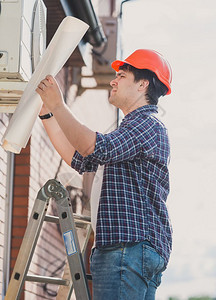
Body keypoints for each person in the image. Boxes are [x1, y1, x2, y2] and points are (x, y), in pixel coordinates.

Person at [36, 49, 173, 300]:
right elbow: (80, 158)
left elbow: (93, 146)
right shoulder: (131, 132)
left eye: (121, 75)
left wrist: (59, 105)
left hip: (127, 249)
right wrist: (48, 113)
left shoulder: (146, 124)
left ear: (143, 84)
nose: (113, 80)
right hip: (131, 250)